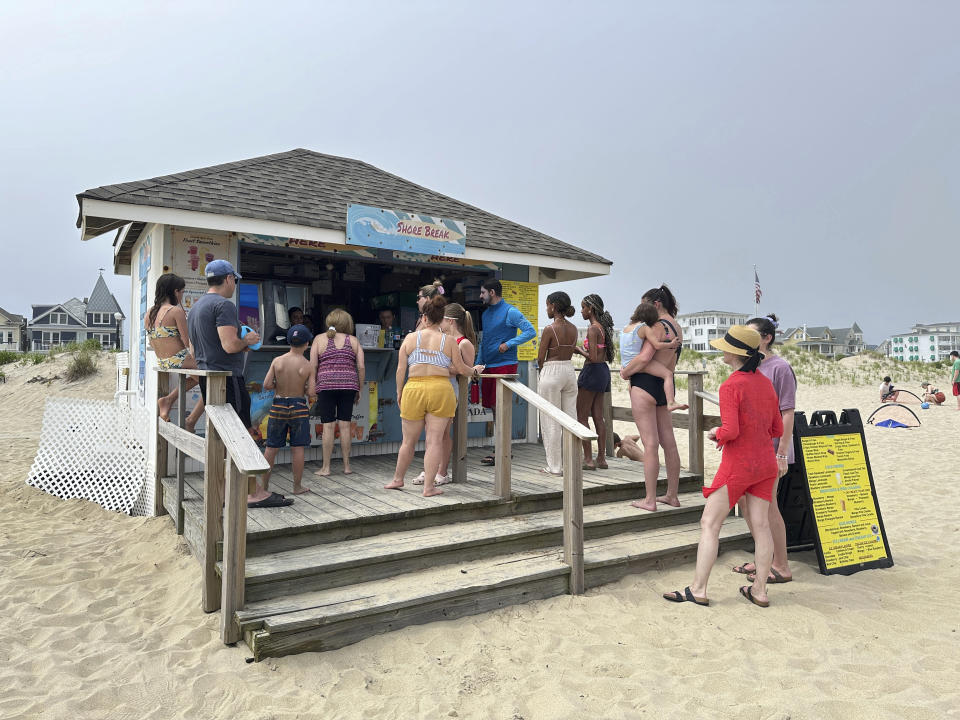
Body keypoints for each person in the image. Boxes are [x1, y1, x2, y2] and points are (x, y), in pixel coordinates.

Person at [662, 325, 782, 608]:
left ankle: (698, 589)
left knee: (710, 523)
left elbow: (731, 430)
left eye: (726, 346)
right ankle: (760, 591)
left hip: (739, 464)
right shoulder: (766, 383)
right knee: (762, 526)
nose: (722, 350)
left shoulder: (731, 385)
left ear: (736, 353)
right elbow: (776, 428)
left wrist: (717, 433)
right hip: (765, 463)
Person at [188, 259, 291, 508]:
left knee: (222, 438)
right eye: (235, 280)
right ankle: (254, 492)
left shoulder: (196, 307)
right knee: (243, 434)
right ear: (229, 279)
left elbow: (192, 349)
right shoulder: (224, 305)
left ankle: (223, 493)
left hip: (208, 378)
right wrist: (250, 339)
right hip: (228, 378)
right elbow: (230, 345)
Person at [730, 314, 797, 585]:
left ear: (767, 338)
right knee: (746, 503)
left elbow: (788, 412)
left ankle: (781, 565)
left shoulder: (780, 368)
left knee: (769, 507)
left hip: (771, 449)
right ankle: (763, 559)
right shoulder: (748, 366)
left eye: (753, 334)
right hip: (749, 448)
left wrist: (782, 452)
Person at [385, 295, 475, 496]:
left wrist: (399, 391)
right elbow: (462, 369)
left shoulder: (410, 338)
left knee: (408, 441)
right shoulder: (449, 341)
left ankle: (398, 479)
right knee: (434, 441)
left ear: (424, 318)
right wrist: (475, 370)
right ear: (442, 318)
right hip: (441, 389)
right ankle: (429, 487)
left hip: (414, 388)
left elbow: (401, 369)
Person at [620, 285, 684, 511]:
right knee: (669, 443)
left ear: (655, 304)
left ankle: (649, 500)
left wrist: (626, 372)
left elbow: (645, 357)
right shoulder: (676, 327)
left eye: (645, 304)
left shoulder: (656, 326)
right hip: (665, 385)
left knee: (650, 444)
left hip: (645, 384)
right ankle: (672, 495)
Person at [472, 279, 536, 466]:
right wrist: (478, 364)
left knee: (501, 407)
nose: (480, 296)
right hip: (489, 365)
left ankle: (502, 449)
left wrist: (509, 344)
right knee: (492, 407)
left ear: (492, 292)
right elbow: (484, 341)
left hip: (506, 364)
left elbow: (530, 331)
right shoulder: (485, 314)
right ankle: (499, 447)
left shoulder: (510, 311)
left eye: (483, 292)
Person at [425, 302, 477, 485]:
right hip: (434, 386)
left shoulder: (464, 343)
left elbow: (467, 370)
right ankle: (429, 469)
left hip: (450, 389)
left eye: (442, 318)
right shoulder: (442, 338)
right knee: (431, 431)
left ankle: (441, 471)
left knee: (443, 432)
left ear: (450, 321)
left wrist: (444, 368)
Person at [145, 273, 205, 432]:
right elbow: (187, 341)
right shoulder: (175, 311)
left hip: (163, 361)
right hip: (179, 359)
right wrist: (195, 357)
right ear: (175, 291)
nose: (182, 295)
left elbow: (152, 342)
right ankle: (190, 421)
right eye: (182, 292)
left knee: (198, 378)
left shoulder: (149, 314)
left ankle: (169, 399)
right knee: (212, 385)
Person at [310, 309, 365, 477]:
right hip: (348, 386)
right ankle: (347, 466)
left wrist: (312, 386)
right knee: (345, 425)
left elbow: (313, 366)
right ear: (348, 323)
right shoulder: (353, 340)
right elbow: (361, 367)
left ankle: (326, 468)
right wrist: (359, 388)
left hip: (326, 385)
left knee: (328, 426)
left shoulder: (319, 339)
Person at [262, 325, 315, 495]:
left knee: (271, 448)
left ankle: (263, 487)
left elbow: (267, 384)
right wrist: (304, 387)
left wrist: (279, 384)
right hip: (298, 406)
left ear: (289, 342)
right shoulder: (308, 365)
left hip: (278, 404)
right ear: (307, 343)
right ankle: (297, 486)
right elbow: (312, 392)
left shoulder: (278, 361)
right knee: (298, 448)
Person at [536, 291, 579, 476]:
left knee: (550, 421)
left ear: (553, 306)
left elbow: (540, 357)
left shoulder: (549, 329)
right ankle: (571, 463)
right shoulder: (574, 328)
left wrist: (542, 370)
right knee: (571, 419)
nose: (546, 308)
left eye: (547, 305)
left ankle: (554, 467)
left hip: (552, 370)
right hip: (569, 371)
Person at [619, 301, 686, 412]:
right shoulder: (645, 328)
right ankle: (671, 402)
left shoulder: (625, 328)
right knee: (668, 374)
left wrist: (625, 369)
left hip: (626, 363)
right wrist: (671, 344)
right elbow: (656, 345)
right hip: (640, 365)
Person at [575, 294, 614, 471]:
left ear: (590, 309)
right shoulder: (603, 329)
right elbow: (601, 355)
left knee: (582, 416)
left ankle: (588, 459)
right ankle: (601, 458)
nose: (581, 311)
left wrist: (578, 350)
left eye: (583, 307)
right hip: (603, 372)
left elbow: (592, 357)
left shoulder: (592, 329)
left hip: (592, 371)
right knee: (599, 416)